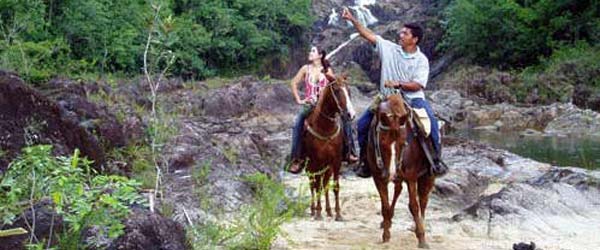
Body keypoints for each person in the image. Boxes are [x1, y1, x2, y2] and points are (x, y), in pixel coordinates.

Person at [341, 7, 447, 178]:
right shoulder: (389, 48)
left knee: (431, 124)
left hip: (413, 99)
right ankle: (364, 162)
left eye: (405, 34)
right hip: (385, 97)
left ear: (415, 39)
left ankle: (435, 161)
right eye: (401, 33)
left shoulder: (421, 60)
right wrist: (352, 20)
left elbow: (418, 85)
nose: (400, 35)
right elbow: (367, 34)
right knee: (361, 125)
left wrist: (398, 84)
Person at [287, 46, 359, 174]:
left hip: (324, 104)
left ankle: (349, 151)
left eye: (313, 51)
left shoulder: (327, 70)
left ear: (320, 55)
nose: (310, 53)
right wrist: (299, 99)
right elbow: (293, 82)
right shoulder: (305, 69)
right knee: (298, 122)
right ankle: (296, 158)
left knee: (345, 118)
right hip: (310, 104)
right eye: (311, 51)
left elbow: (334, 86)